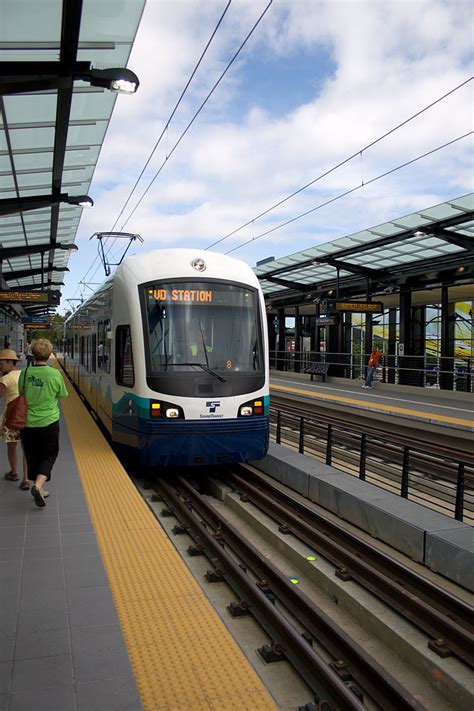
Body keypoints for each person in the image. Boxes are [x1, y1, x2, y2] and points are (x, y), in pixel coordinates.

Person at [19, 338, 68, 508]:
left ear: (32, 353)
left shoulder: (25, 373)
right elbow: (62, 394)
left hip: (28, 422)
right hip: (49, 422)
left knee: (32, 455)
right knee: (49, 454)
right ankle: (39, 486)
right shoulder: (54, 374)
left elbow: (20, 392)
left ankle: (39, 488)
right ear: (49, 354)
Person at [0, 349, 29, 490]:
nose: (0, 365)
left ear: (10, 362)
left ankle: (14, 473)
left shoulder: (5, 379)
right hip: (26, 415)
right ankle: (26, 479)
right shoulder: (26, 374)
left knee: (12, 446)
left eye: (2, 362)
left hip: (11, 417)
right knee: (26, 448)